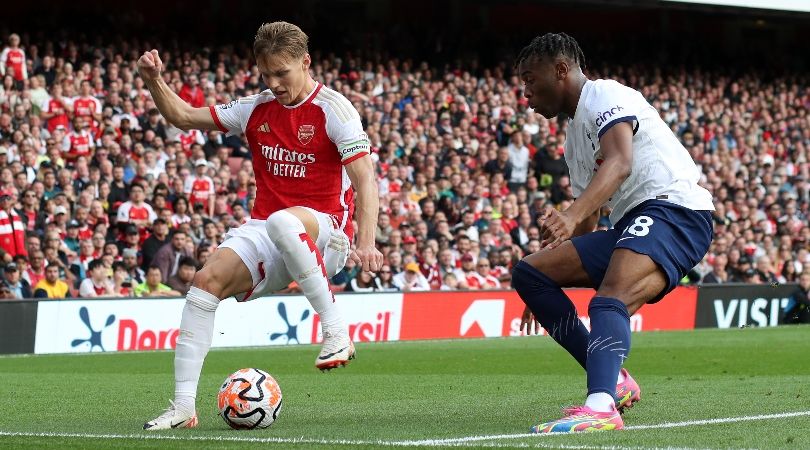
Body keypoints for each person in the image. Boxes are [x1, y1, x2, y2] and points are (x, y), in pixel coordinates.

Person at [138, 21, 381, 430]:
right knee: (204, 282)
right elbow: (182, 116)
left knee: (284, 223)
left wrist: (369, 241)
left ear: (306, 62)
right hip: (269, 227)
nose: (274, 83)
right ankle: (182, 408)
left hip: (328, 232)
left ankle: (336, 330)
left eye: (281, 73)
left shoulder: (335, 109)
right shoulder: (255, 108)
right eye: (265, 74)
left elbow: (364, 179)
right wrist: (154, 81)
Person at [511, 33, 714, 433]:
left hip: (675, 210)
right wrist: (551, 276)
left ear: (561, 70)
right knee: (529, 273)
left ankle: (601, 406)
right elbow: (589, 219)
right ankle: (614, 381)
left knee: (609, 301)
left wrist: (569, 216)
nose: (526, 94)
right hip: (635, 223)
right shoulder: (574, 143)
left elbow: (620, 162)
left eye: (531, 80)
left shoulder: (604, 94)